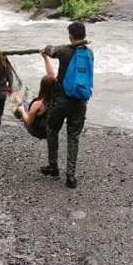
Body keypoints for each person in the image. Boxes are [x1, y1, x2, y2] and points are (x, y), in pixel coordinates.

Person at [42, 22, 93, 189]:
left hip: (61, 100)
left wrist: (45, 49)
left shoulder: (64, 51)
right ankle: (71, 175)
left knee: (51, 128)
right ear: (84, 35)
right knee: (73, 137)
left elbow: (51, 50)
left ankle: (53, 166)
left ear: (70, 36)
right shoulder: (89, 53)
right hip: (80, 101)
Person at [13, 52, 56, 140]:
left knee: (19, 106)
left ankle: (17, 111)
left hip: (37, 131)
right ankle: (20, 100)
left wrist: (22, 111)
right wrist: (45, 58)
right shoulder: (58, 96)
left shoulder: (38, 104)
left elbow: (29, 122)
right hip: (51, 130)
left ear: (42, 86)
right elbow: (51, 75)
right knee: (25, 101)